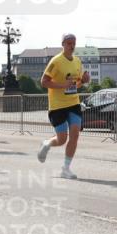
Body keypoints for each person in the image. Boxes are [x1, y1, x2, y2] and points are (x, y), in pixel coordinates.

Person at [37, 34, 89, 179]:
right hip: (57, 105)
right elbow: (44, 82)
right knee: (61, 139)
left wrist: (83, 81)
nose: (72, 46)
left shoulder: (77, 61)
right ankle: (47, 144)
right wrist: (62, 85)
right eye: (69, 43)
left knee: (75, 135)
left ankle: (65, 169)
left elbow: (76, 84)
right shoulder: (56, 61)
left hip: (73, 103)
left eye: (74, 43)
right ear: (63, 44)